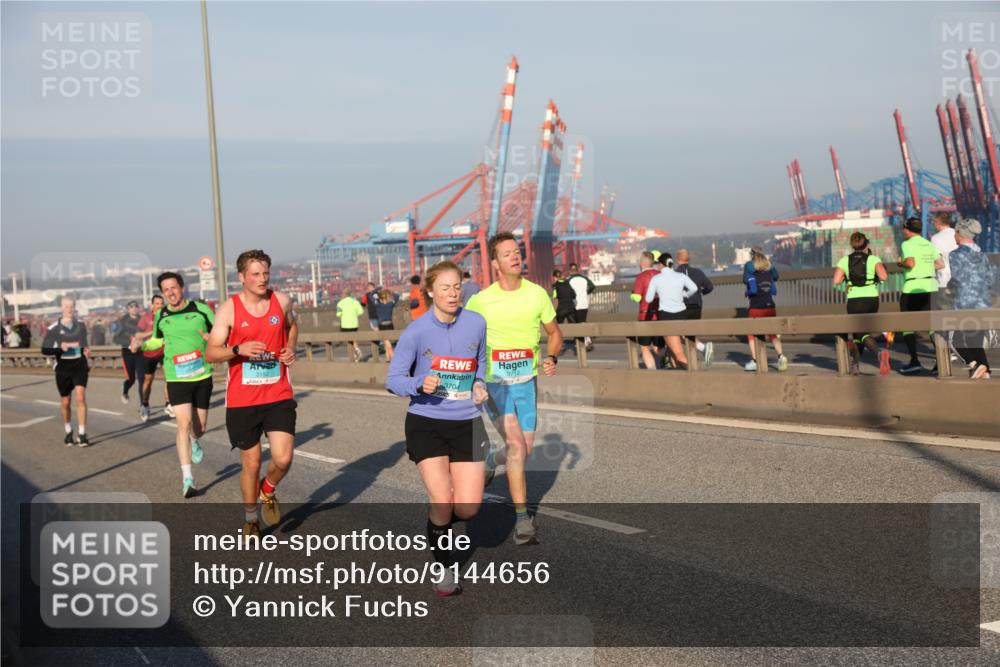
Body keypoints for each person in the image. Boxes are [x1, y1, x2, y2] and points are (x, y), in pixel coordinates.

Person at [386, 260, 490, 596]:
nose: (452, 293)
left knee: (470, 509)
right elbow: (394, 380)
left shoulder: (476, 323)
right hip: (426, 423)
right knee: (443, 500)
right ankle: (445, 568)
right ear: (430, 292)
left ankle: (439, 521)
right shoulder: (416, 331)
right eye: (445, 287)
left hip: (467, 422)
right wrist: (419, 383)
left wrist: (479, 384)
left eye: (457, 286)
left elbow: (481, 364)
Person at [466, 232, 563, 546]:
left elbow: (554, 332)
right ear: (495, 263)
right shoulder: (480, 301)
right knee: (518, 449)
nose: (514, 256)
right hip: (496, 386)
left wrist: (551, 356)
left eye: (517, 251)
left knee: (522, 450)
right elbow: (465, 342)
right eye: (507, 253)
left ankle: (493, 460)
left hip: (526, 385)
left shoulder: (536, 294)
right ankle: (523, 520)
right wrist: (472, 380)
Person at [206, 249, 298, 538]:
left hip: (278, 393)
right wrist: (237, 349)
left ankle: (267, 490)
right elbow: (210, 352)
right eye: (255, 274)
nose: (262, 279)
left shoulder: (281, 301)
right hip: (243, 399)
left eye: (266, 273)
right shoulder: (229, 309)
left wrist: (291, 346)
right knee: (252, 462)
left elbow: (293, 325)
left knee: (282, 459)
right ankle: (250, 519)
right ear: (242, 277)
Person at [142, 272, 215, 498]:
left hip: (202, 375)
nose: (170, 293)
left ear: (182, 288)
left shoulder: (200, 309)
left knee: (199, 427)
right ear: (163, 294)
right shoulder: (161, 315)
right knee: (182, 423)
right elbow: (156, 340)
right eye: (166, 290)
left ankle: (195, 440)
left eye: (174, 288)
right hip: (176, 377)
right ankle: (187, 478)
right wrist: (141, 345)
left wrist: (211, 338)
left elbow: (220, 332)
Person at [832, 232, 889, 375]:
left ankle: (878, 353)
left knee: (859, 331)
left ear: (852, 245)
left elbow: (836, 281)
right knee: (860, 333)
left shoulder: (844, 260)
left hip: (854, 299)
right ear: (866, 244)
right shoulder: (873, 259)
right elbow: (883, 276)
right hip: (872, 299)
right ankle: (855, 366)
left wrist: (847, 279)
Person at [948, 218, 996, 379]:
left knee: (954, 341)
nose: (954, 235)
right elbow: (990, 280)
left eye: (955, 232)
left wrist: (949, 287)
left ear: (960, 233)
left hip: (965, 305)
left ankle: (975, 365)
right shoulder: (981, 254)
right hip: (983, 303)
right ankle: (985, 371)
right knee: (975, 342)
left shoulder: (955, 254)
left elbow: (958, 279)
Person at [896, 217, 945, 374]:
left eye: (904, 228)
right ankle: (940, 362)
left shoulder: (907, 244)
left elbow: (910, 263)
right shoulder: (928, 243)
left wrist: (900, 263)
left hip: (912, 288)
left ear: (907, 229)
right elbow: (940, 264)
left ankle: (914, 361)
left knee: (907, 325)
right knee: (932, 326)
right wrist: (925, 266)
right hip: (931, 286)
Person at [41, 297, 91, 447]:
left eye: (72, 306)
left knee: (80, 398)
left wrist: (86, 351)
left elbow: (84, 344)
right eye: (67, 307)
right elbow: (44, 349)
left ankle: (82, 434)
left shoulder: (81, 326)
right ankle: (68, 431)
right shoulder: (54, 328)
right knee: (66, 401)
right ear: (61, 308)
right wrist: (59, 349)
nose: (69, 309)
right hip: (63, 368)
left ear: (74, 308)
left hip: (79, 365)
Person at [644, 252, 697, 369]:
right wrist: (685, 294)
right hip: (682, 313)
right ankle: (678, 373)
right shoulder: (681, 276)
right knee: (672, 348)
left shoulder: (656, 279)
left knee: (677, 351)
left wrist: (660, 294)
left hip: (666, 315)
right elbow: (694, 288)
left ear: (661, 265)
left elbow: (648, 299)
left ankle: (692, 373)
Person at [743, 251, 788, 372]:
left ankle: (755, 361)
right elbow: (774, 291)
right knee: (772, 333)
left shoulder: (752, 277)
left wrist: (746, 293)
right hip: (770, 306)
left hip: (756, 308)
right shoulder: (769, 276)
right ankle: (781, 356)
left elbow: (753, 290)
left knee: (751, 334)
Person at [673, 249, 715, 367]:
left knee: (678, 334)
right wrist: (700, 293)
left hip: (681, 307)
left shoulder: (675, 274)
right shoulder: (698, 272)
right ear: (689, 259)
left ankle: (703, 348)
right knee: (690, 333)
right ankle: (694, 357)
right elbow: (710, 287)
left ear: (677, 259)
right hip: (696, 305)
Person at [132, 294, 169, 420]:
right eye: (157, 303)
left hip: (164, 351)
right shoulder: (145, 317)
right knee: (148, 380)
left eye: (161, 303)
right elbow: (137, 335)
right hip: (148, 354)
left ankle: (168, 403)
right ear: (152, 305)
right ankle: (145, 404)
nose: (159, 306)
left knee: (169, 377)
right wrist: (152, 333)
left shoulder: (167, 316)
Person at [630, 251, 665, 370]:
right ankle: (666, 360)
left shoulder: (641, 277)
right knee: (658, 346)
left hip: (645, 316)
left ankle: (652, 370)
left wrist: (632, 294)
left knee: (644, 347)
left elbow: (637, 297)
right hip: (660, 315)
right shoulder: (659, 274)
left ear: (642, 263)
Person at [115, 301, 145, 410]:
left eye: (136, 306)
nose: (134, 308)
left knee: (142, 379)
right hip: (127, 353)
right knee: (131, 379)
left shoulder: (143, 320)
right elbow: (116, 338)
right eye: (131, 307)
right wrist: (130, 342)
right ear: (128, 309)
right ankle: (125, 390)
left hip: (141, 352)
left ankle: (143, 405)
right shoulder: (122, 322)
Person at [566, 263, 596, 351]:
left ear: (570, 270)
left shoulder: (568, 280)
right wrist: (587, 292)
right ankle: (587, 340)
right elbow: (592, 286)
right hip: (584, 303)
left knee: (576, 325)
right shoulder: (584, 278)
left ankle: (580, 343)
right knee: (582, 322)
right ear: (577, 269)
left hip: (575, 304)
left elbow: (566, 291)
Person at [930, 212, 958, 291]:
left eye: (934, 222)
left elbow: (938, 263)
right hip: (959, 279)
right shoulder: (958, 234)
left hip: (944, 281)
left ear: (937, 223)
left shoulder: (935, 238)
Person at [336, 288, 365, 362]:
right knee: (353, 338)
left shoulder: (340, 303)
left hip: (345, 324)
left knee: (349, 340)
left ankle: (356, 351)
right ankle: (356, 354)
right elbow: (361, 312)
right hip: (354, 324)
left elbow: (338, 314)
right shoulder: (355, 302)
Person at [551, 270, 577, 355]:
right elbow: (574, 295)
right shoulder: (568, 283)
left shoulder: (555, 286)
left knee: (557, 329)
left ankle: (560, 347)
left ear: (555, 277)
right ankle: (577, 346)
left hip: (561, 309)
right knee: (575, 328)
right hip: (570, 308)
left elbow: (555, 297)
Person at [375, 289, 399, 362]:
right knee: (387, 343)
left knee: (387, 344)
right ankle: (388, 358)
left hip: (382, 326)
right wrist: (391, 292)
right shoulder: (390, 304)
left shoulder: (378, 305)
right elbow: (397, 296)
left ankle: (393, 359)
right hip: (389, 325)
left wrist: (376, 291)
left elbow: (370, 296)